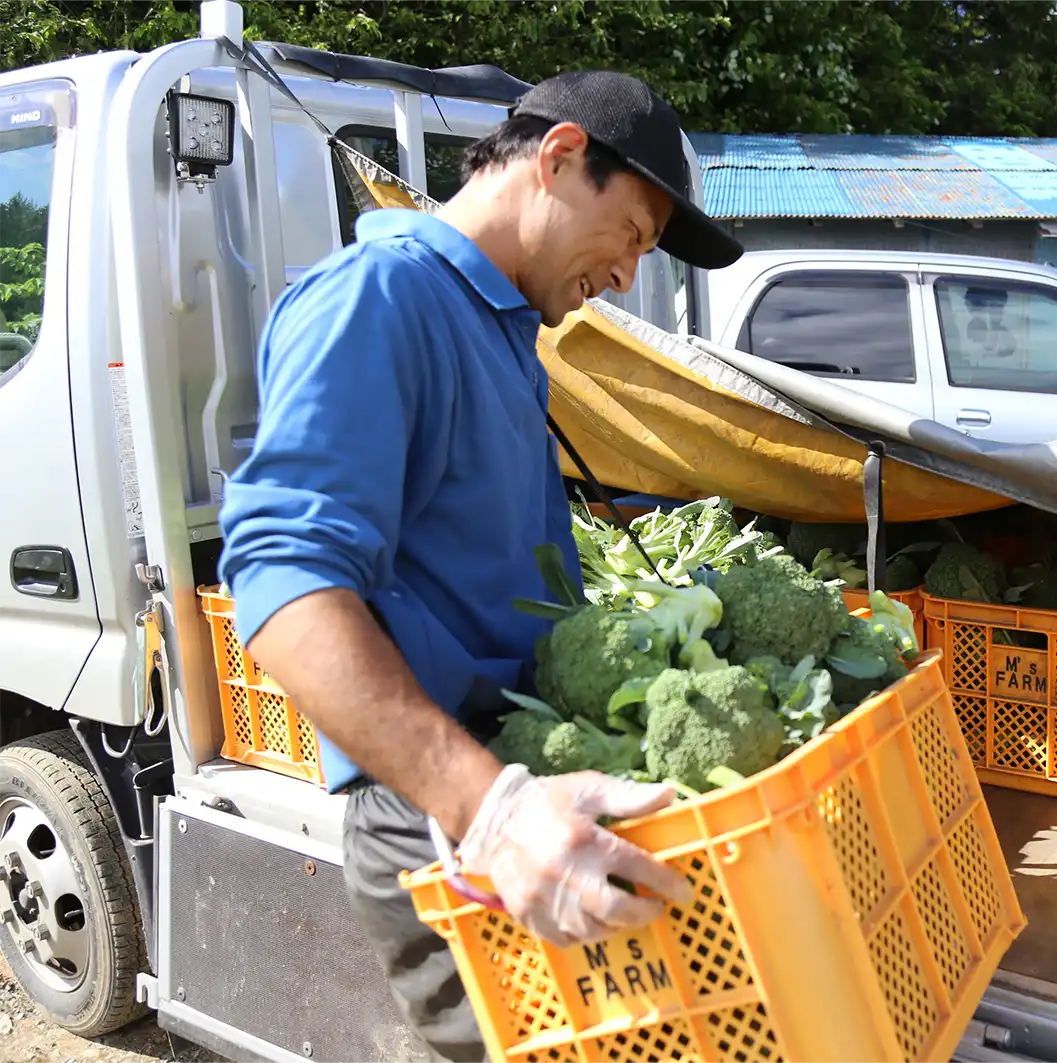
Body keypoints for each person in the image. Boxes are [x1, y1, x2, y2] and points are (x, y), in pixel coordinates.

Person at [216, 70, 744, 1063]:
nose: (631, 273)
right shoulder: (380, 298)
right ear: (558, 157)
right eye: (632, 232)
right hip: (445, 814)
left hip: (520, 775)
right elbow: (281, 580)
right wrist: (490, 809)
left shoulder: (500, 325)